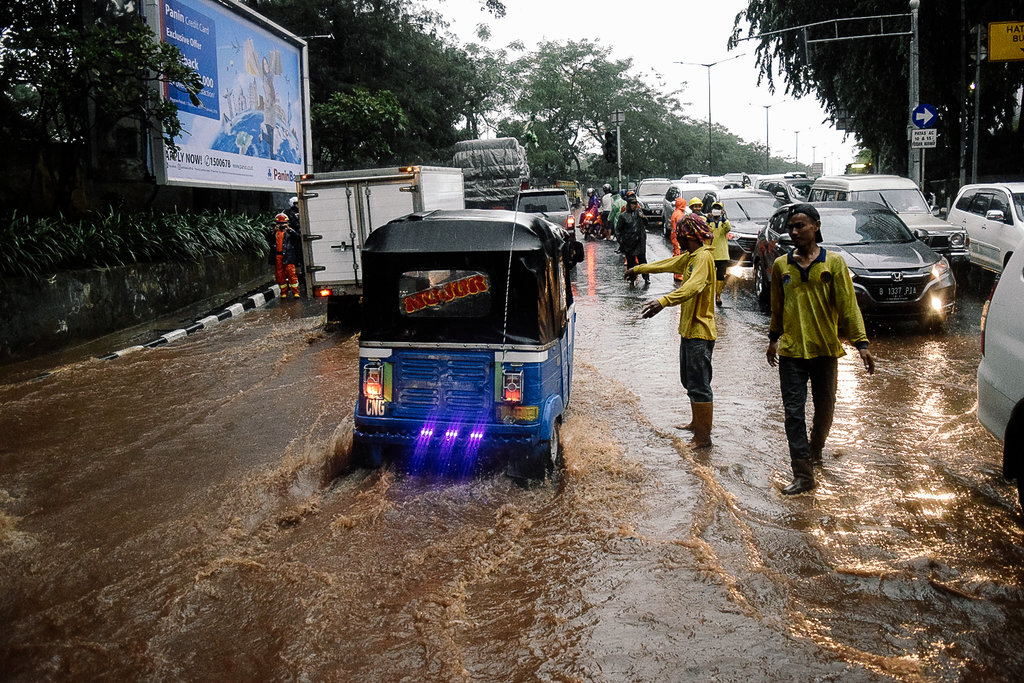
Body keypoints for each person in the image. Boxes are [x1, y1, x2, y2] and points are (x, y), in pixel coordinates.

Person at [765, 203, 876, 495]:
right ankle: (803, 473)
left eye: (800, 225)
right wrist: (773, 339)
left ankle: (815, 452)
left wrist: (861, 343)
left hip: (825, 350)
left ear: (816, 226)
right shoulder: (781, 266)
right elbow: (777, 308)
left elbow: (848, 306)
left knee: (825, 408)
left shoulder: (834, 263)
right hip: (791, 352)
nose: (794, 231)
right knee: (793, 412)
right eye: (791, 226)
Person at [627, 213, 717, 448]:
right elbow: (666, 264)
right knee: (689, 381)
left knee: (700, 385)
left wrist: (663, 301)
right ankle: (696, 423)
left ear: (691, 236)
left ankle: (703, 438)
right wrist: (638, 268)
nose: (679, 239)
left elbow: (693, 287)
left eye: (681, 235)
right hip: (688, 330)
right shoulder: (690, 257)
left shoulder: (703, 258)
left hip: (700, 331)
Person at [616, 192, 649, 285]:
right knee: (630, 262)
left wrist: (643, 218)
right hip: (629, 242)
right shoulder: (623, 216)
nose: (634, 206)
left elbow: (646, 223)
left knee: (643, 261)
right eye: (632, 204)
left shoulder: (639, 213)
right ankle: (631, 278)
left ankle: (646, 277)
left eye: (635, 204)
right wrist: (621, 240)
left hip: (639, 241)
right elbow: (618, 230)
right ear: (628, 205)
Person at [267, 212, 302, 298]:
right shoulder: (274, 232)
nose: (282, 225)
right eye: (279, 223)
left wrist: (289, 230)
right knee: (280, 275)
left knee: (291, 274)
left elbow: (298, 238)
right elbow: (268, 240)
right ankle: (283, 292)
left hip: (289, 256)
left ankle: (295, 292)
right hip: (277, 256)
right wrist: (273, 231)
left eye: (283, 223)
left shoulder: (290, 231)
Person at [706, 201, 731, 306]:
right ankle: (709, 296)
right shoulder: (709, 222)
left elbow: (728, 228)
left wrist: (723, 217)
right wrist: (708, 219)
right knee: (709, 277)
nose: (717, 210)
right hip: (711, 254)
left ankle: (718, 296)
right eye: (715, 208)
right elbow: (704, 230)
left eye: (718, 209)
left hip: (722, 254)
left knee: (720, 276)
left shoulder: (724, 222)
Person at [284, 196, 306, 295]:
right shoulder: (288, 214)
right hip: (293, 244)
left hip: (300, 241)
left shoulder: (303, 212)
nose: (298, 205)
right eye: (296, 204)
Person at [668, 196, 688, 283]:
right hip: (678, 237)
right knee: (678, 255)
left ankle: (677, 273)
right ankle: (678, 274)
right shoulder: (679, 214)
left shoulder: (676, 212)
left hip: (674, 236)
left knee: (676, 254)